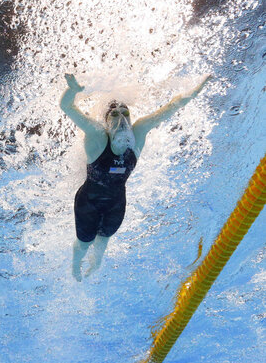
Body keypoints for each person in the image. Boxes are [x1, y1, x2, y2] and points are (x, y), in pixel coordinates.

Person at [60, 73, 211, 281]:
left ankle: (96, 263)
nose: (121, 117)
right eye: (114, 114)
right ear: (106, 121)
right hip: (89, 202)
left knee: (103, 241)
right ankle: (75, 267)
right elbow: (67, 108)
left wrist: (192, 94)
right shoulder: (97, 135)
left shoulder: (137, 133)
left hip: (116, 202)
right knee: (84, 242)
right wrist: (74, 90)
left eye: (125, 112)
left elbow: (168, 110)